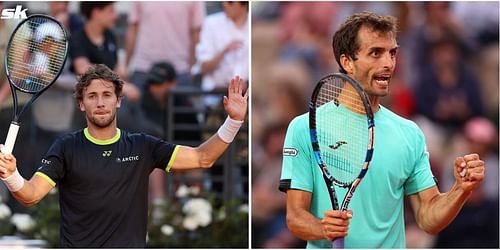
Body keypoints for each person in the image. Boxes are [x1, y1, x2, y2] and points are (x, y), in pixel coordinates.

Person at [279, 12, 485, 248]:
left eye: (392, 53)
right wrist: (322, 228)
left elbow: (428, 217)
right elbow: (295, 216)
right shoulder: (304, 128)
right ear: (347, 62)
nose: (388, 64)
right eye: (376, 53)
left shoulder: (410, 134)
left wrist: (460, 190)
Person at [0, 64, 248, 247]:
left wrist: (233, 121)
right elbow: (31, 195)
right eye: (92, 96)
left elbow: (203, 158)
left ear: (118, 101)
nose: (100, 103)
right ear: (81, 104)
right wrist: (12, 176)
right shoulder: (66, 147)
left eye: (107, 95)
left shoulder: (142, 146)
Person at [125, 2, 205, 89]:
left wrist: (191, 66)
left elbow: (196, 33)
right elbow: (196, 33)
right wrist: (125, 65)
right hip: (145, 68)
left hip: (179, 70)